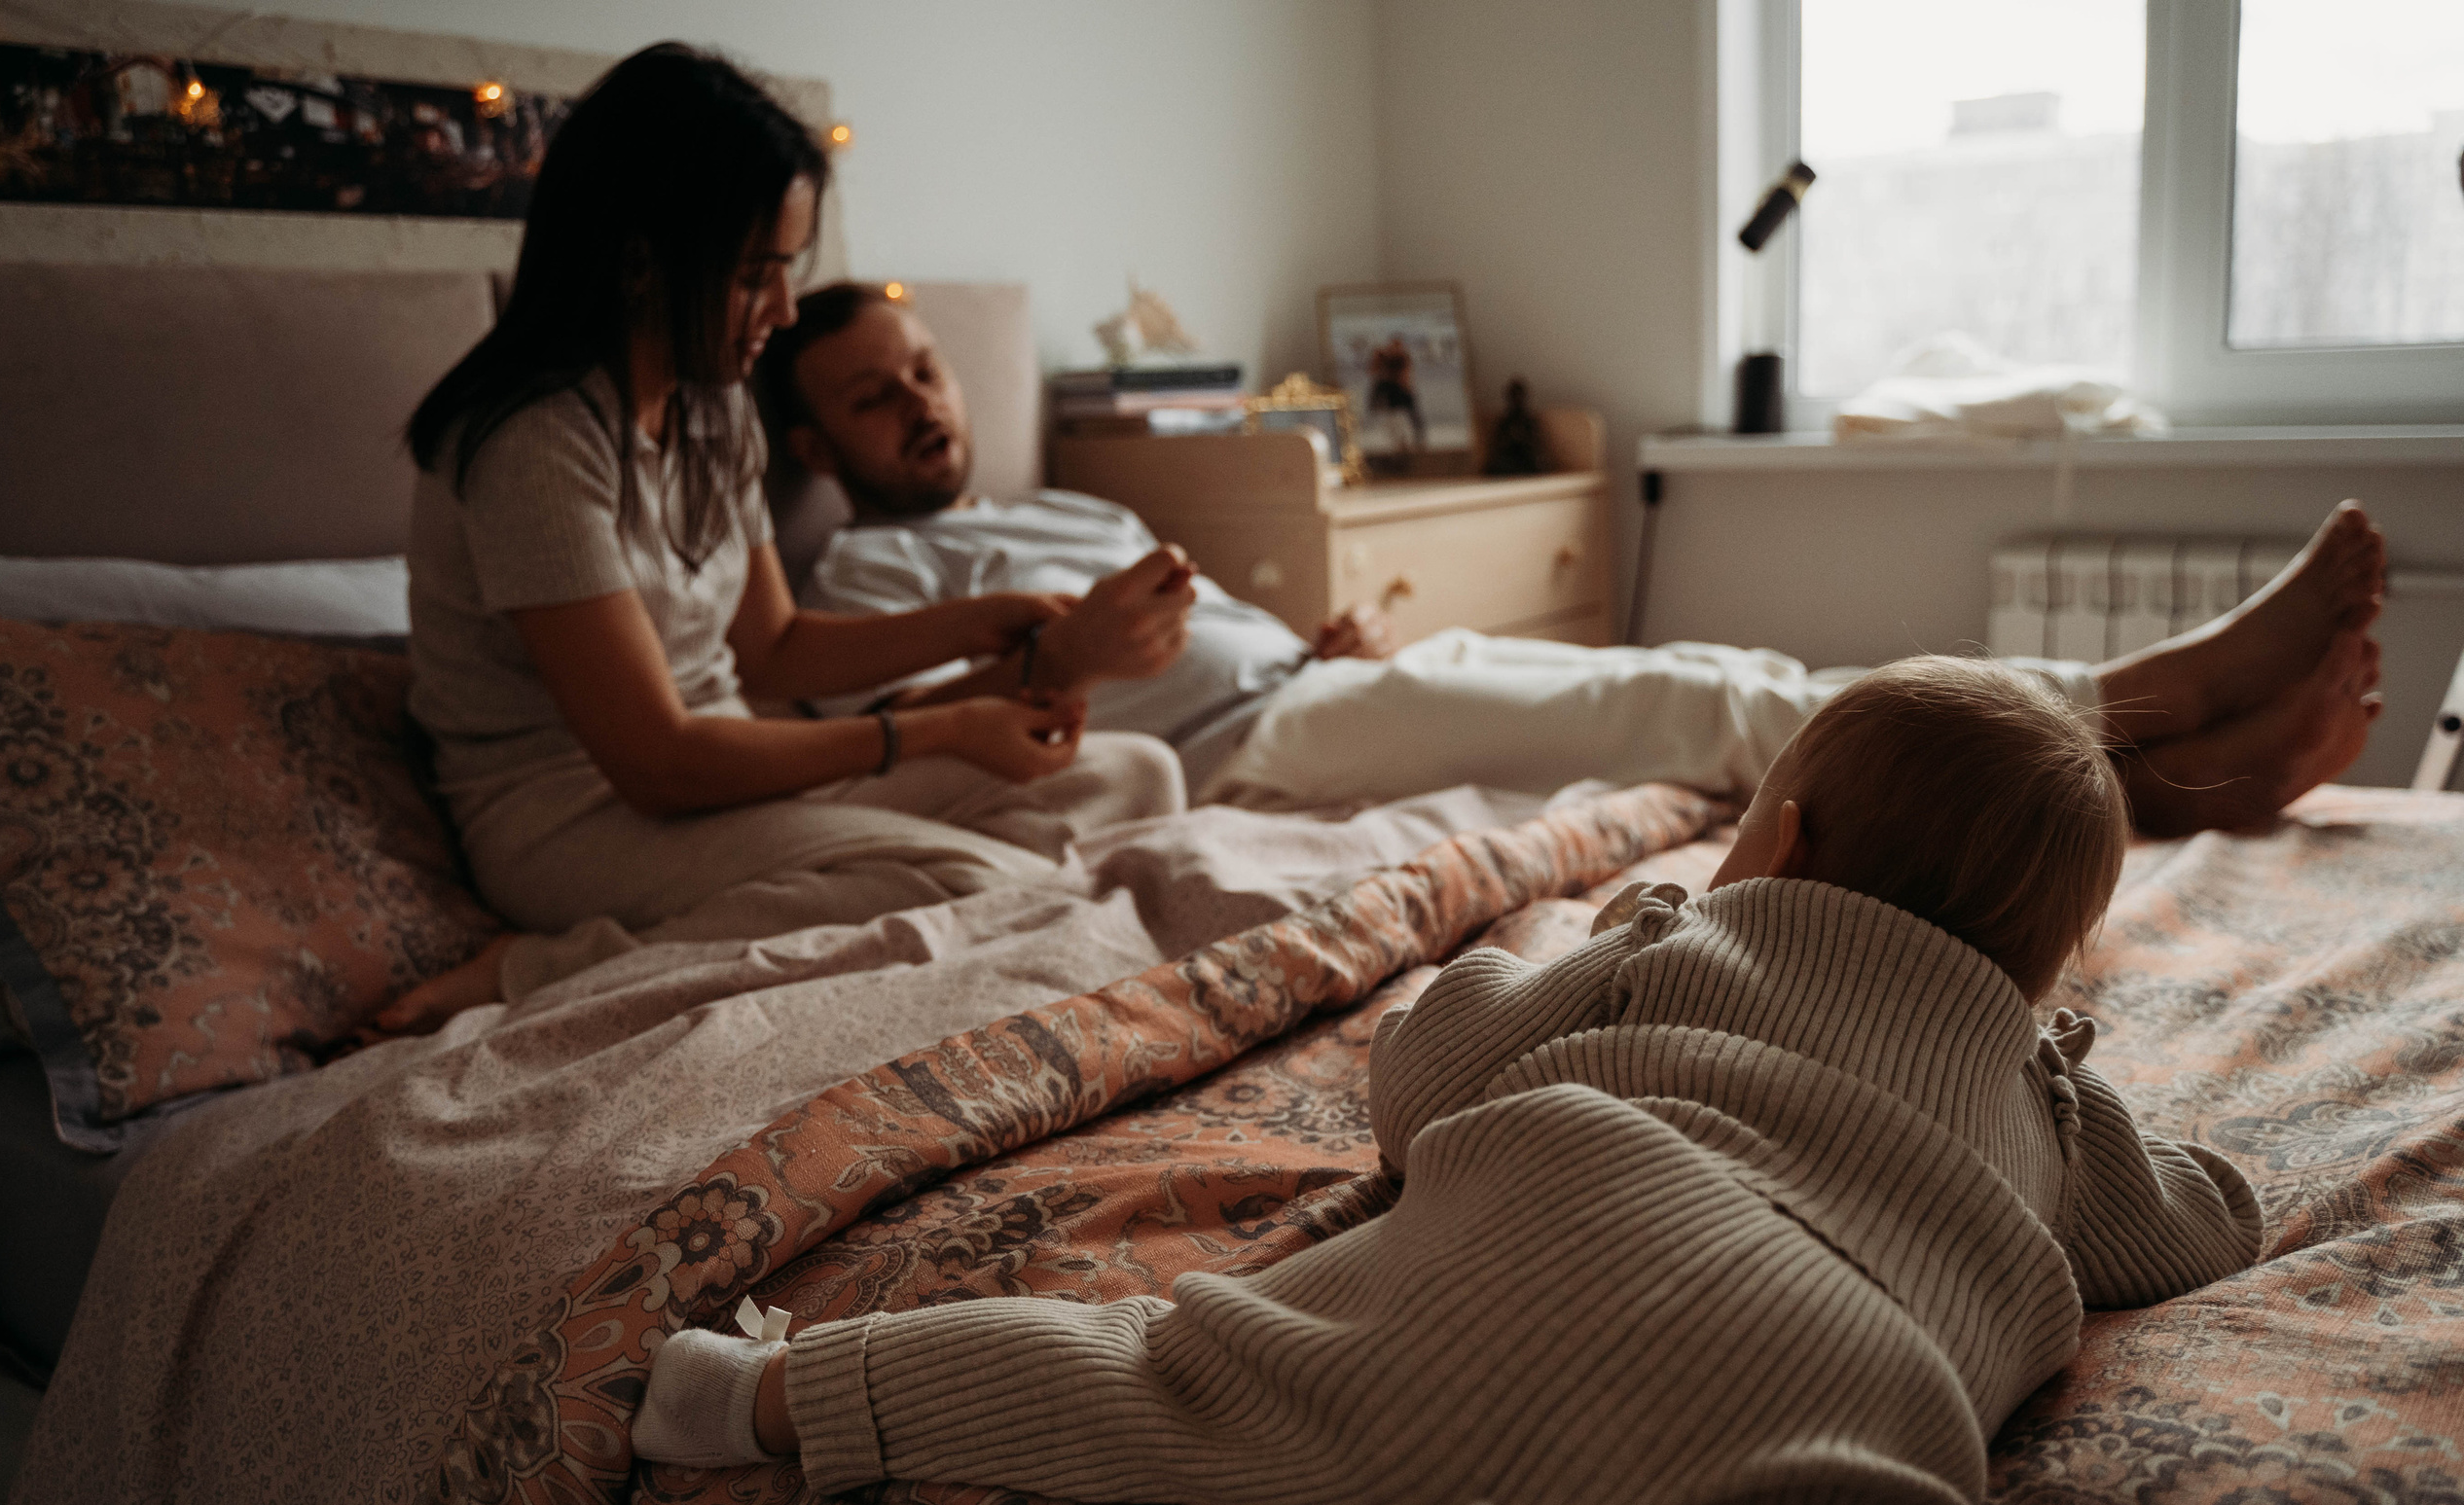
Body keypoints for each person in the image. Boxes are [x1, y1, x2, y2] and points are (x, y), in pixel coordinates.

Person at [629, 654, 2265, 1505]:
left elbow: (1428, 1083)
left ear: (1784, 841)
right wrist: (2114, 1112)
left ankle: (761, 1392)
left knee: (1164, 1371)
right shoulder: (2037, 1092)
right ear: (2045, 965)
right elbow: (2189, 1225)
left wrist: (1569, 945)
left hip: (1571, 1206)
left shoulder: (1686, 935)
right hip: (1855, 1367)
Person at [770, 281, 2387, 830]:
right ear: (815, 443)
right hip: (1244, 755)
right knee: (1684, 707)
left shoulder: (1062, 502)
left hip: (1313, 681)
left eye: (924, 371)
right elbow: (949, 753)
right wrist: (1065, 661)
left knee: (1710, 677)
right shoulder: (862, 587)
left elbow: (1181, 614)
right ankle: (2128, 704)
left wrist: (1300, 632)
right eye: (870, 395)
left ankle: (2162, 779)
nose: (915, 405)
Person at [377, 50, 1187, 1033]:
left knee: (1139, 774)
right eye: (754, 275)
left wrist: (979, 623)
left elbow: (773, 647)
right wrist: (935, 730)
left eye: (786, 271)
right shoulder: (532, 442)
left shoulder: (712, 406)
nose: (783, 312)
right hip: (573, 813)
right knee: (957, 877)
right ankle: (554, 965)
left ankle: (876, 904)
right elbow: (656, 763)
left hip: (734, 764)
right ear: (643, 258)